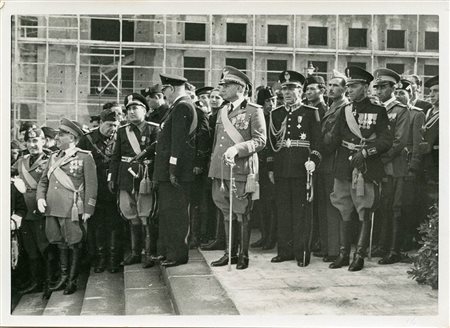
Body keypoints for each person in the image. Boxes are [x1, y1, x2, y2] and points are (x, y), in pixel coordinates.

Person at [326, 66, 392, 272]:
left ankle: (360, 256)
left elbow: (386, 140)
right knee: (344, 208)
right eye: (348, 86)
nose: (349, 90)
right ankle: (344, 254)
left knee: (364, 209)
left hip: (365, 166)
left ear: (365, 86)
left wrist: (365, 153)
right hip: (344, 167)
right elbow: (335, 138)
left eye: (353, 86)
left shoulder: (377, 110)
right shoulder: (344, 110)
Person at [209, 66, 266, 270]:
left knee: (242, 212)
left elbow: (260, 141)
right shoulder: (223, 111)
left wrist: (238, 148)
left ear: (239, 88)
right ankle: (229, 252)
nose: (221, 89)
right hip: (221, 168)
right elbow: (217, 141)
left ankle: (243, 254)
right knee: (226, 211)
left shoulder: (254, 110)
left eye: (226, 85)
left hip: (241, 168)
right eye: (222, 85)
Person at [36, 118, 98, 295]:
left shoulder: (84, 157)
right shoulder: (53, 157)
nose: (57, 138)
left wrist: (88, 209)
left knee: (74, 243)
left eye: (61, 135)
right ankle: (63, 277)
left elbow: (92, 185)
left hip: (72, 208)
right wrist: (41, 198)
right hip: (52, 208)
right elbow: (43, 181)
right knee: (59, 243)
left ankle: (72, 280)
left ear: (71, 137)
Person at [267, 70, 321, 267]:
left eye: (291, 89)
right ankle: (285, 251)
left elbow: (317, 142)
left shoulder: (310, 112)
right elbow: (271, 144)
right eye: (284, 89)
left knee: (301, 212)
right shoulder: (276, 113)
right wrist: (271, 168)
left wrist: (313, 160)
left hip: (302, 168)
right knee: (283, 210)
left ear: (301, 91)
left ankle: (302, 252)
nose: (287, 93)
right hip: (282, 168)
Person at [109, 93, 160, 268]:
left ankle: (148, 253)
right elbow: (115, 157)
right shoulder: (122, 130)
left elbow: (158, 156)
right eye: (128, 109)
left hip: (145, 177)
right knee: (131, 214)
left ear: (144, 111)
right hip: (125, 177)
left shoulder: (154, 129)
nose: (131, 112)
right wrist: (112, 177)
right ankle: (135, 253)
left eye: (135, 108)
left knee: (146, 214)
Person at [152, 73, 197, 267]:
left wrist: (172, 169)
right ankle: (169, 252)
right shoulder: (176, 107)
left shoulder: (182, 107)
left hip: (175, 172)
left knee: (177, 214)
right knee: (168, 213)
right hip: (167, 171)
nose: (164, 94)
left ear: (171, 88)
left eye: (164, 90)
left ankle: (178, 255)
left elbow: (178, 142)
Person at [78, 106, 123, 273]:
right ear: (101, 122)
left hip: (112, 189)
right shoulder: (86, 140)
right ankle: (100, 259)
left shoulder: (120, 137)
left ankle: (113, 259)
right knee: (96, 226)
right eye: (110, 124)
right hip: (94, 190)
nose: (113, 129)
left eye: (116, 125)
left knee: (113, 225)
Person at [12, 127, 56, 299]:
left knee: (44, 246)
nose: (32, 145)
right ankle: (36, 281)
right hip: (24, 211)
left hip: (41, 209)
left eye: (36, 141)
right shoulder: (21, 161)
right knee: (30, 248)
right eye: (29, 141)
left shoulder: (50, 160)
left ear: (43, 142)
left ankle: (49, 281)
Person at [372, 68, 410, 264]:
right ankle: (383, 244)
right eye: (376, 87)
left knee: (395, 207)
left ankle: (394, 250)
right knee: (382, 206)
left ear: (394, 88)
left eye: (383, 87)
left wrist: (379, 158)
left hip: (394, 165)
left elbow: (399, 141)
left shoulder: (401, 111)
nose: (379, 91)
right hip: (379, 165)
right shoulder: (376, 109)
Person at [317, 70, 350, 263]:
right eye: (329, 85)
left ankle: (335, 249)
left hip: (334, 161)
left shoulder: (343, 108)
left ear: (345, 89)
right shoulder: (333, 106)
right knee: (325, 205)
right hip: (325, 163)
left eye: (336, 85)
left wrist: (317, 146)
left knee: (334, 205)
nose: (331, 88)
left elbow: (330, 137)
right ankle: (328, 246)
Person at [394, 79, 426, 252]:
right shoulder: (392, 112)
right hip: (393, 165)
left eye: (402, 93)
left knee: (405, 205)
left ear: (411, 94)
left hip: (406, 165)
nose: (398, 96)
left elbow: (417, 144)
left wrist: (413, 167)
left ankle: (404, 243)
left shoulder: (416, 114)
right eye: (396, 93)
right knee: (392, 204)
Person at [250, 86, 278, 250]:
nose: (271, 104)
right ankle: (264, 235)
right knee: (261, 204)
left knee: (271, 203)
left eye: (273, 100)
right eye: (268, 101)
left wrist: (270, 166)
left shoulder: (275, 117)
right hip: (258, 165)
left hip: (270, 167)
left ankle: (271, 238)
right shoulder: (259, 117)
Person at [200, 88, 227, 251]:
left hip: (219, 161)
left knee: (219, 201)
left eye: (218, 97)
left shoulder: (223, 116)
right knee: (211, 200)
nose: (214, 100)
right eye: (212, 97)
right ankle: (212, 235)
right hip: (210, 162)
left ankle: (219, 237)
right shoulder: (209, 116)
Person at [189, 87, 212, 248]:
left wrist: (198, 163)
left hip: (199, 165)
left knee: (199, 202)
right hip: (186, 164)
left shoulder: (199, 113)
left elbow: (204, 138)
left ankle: (199, 235)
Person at [422, 75, 439, 206]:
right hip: (426, 162)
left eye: (436, 91)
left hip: (438, 162)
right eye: (430, 91)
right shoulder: (428, 111)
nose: (431, 95)